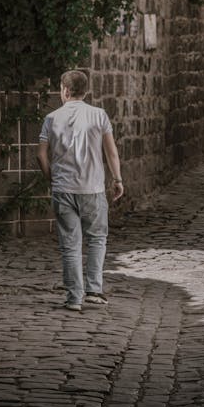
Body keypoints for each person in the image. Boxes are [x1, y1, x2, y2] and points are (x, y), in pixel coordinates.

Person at [37, 70, 123, 313]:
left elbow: (41, 154)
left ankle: (74, 297)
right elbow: (111, 152)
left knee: (70, 245)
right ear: (85, 91)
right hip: (93, 188)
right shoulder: (99, 115)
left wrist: (50, 178)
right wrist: (117, 179)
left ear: (64, 90)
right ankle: (94, 289)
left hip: (63, 189)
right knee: (97, 238)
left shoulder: (51, 118)